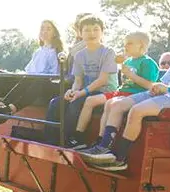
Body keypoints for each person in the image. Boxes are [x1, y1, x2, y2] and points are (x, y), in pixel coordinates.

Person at [81, 23, 170, 171]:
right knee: (116, 105)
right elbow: (163, 83)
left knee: (137, 110)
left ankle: (119, 158)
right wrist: (157, 87)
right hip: (165, 95)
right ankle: (102, 148)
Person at [65, 31, 159, 149]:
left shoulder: (147, 62)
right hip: (120, 92)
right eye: (125, 43)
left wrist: (131, 75)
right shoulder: (128, 61)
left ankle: (101, 140)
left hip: (134, 94)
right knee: (90, 100)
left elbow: (149, 85)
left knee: (107, 103)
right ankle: (80, 137)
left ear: (141, 45)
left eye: (129, 43)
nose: (125, 46)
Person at [44, 15, 119, 145]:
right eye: (87, 30)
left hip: (104, 91)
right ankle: (50, 141)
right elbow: (78, 81)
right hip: (86, 90)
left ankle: (71, 140)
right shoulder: (79, 55)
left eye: (96, 29)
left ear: (102, 32)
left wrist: (80, 93)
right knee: (56, 102)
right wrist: (72, 91)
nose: (92, 33)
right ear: (80, 33)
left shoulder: (108, 52)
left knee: (76, 102)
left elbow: (102, 80)